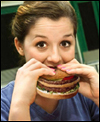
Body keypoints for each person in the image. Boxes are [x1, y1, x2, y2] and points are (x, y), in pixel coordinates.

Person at [1, 1, 99, 121]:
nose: (55, 58)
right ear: (20, 46)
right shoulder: (4, 104)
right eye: (41, 44)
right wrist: (20, 106)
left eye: (65, 43)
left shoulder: (86, 94)